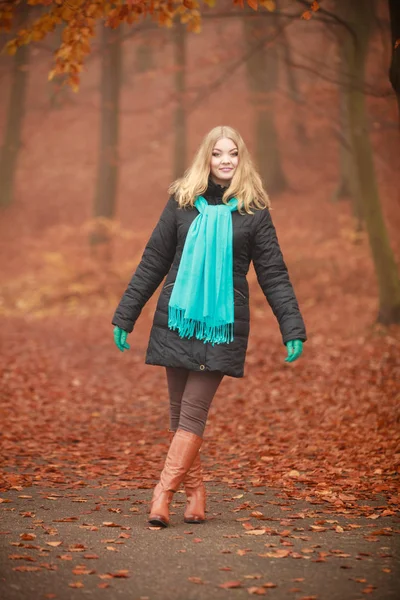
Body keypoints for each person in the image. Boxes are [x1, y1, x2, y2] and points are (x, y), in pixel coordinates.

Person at [112, 125, 307, 528]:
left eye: (232, 153)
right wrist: (126, 314)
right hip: (177, 320)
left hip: (222, 325)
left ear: (242, 159)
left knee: (193, 412)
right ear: (206, 158)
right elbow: (154, 260)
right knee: (177, 413)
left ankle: (162, 495)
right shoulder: (182, 203)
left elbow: (273, 273)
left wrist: (292, 325)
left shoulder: (254, 211)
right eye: (217, 153)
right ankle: (196, 491)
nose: (225, 160)